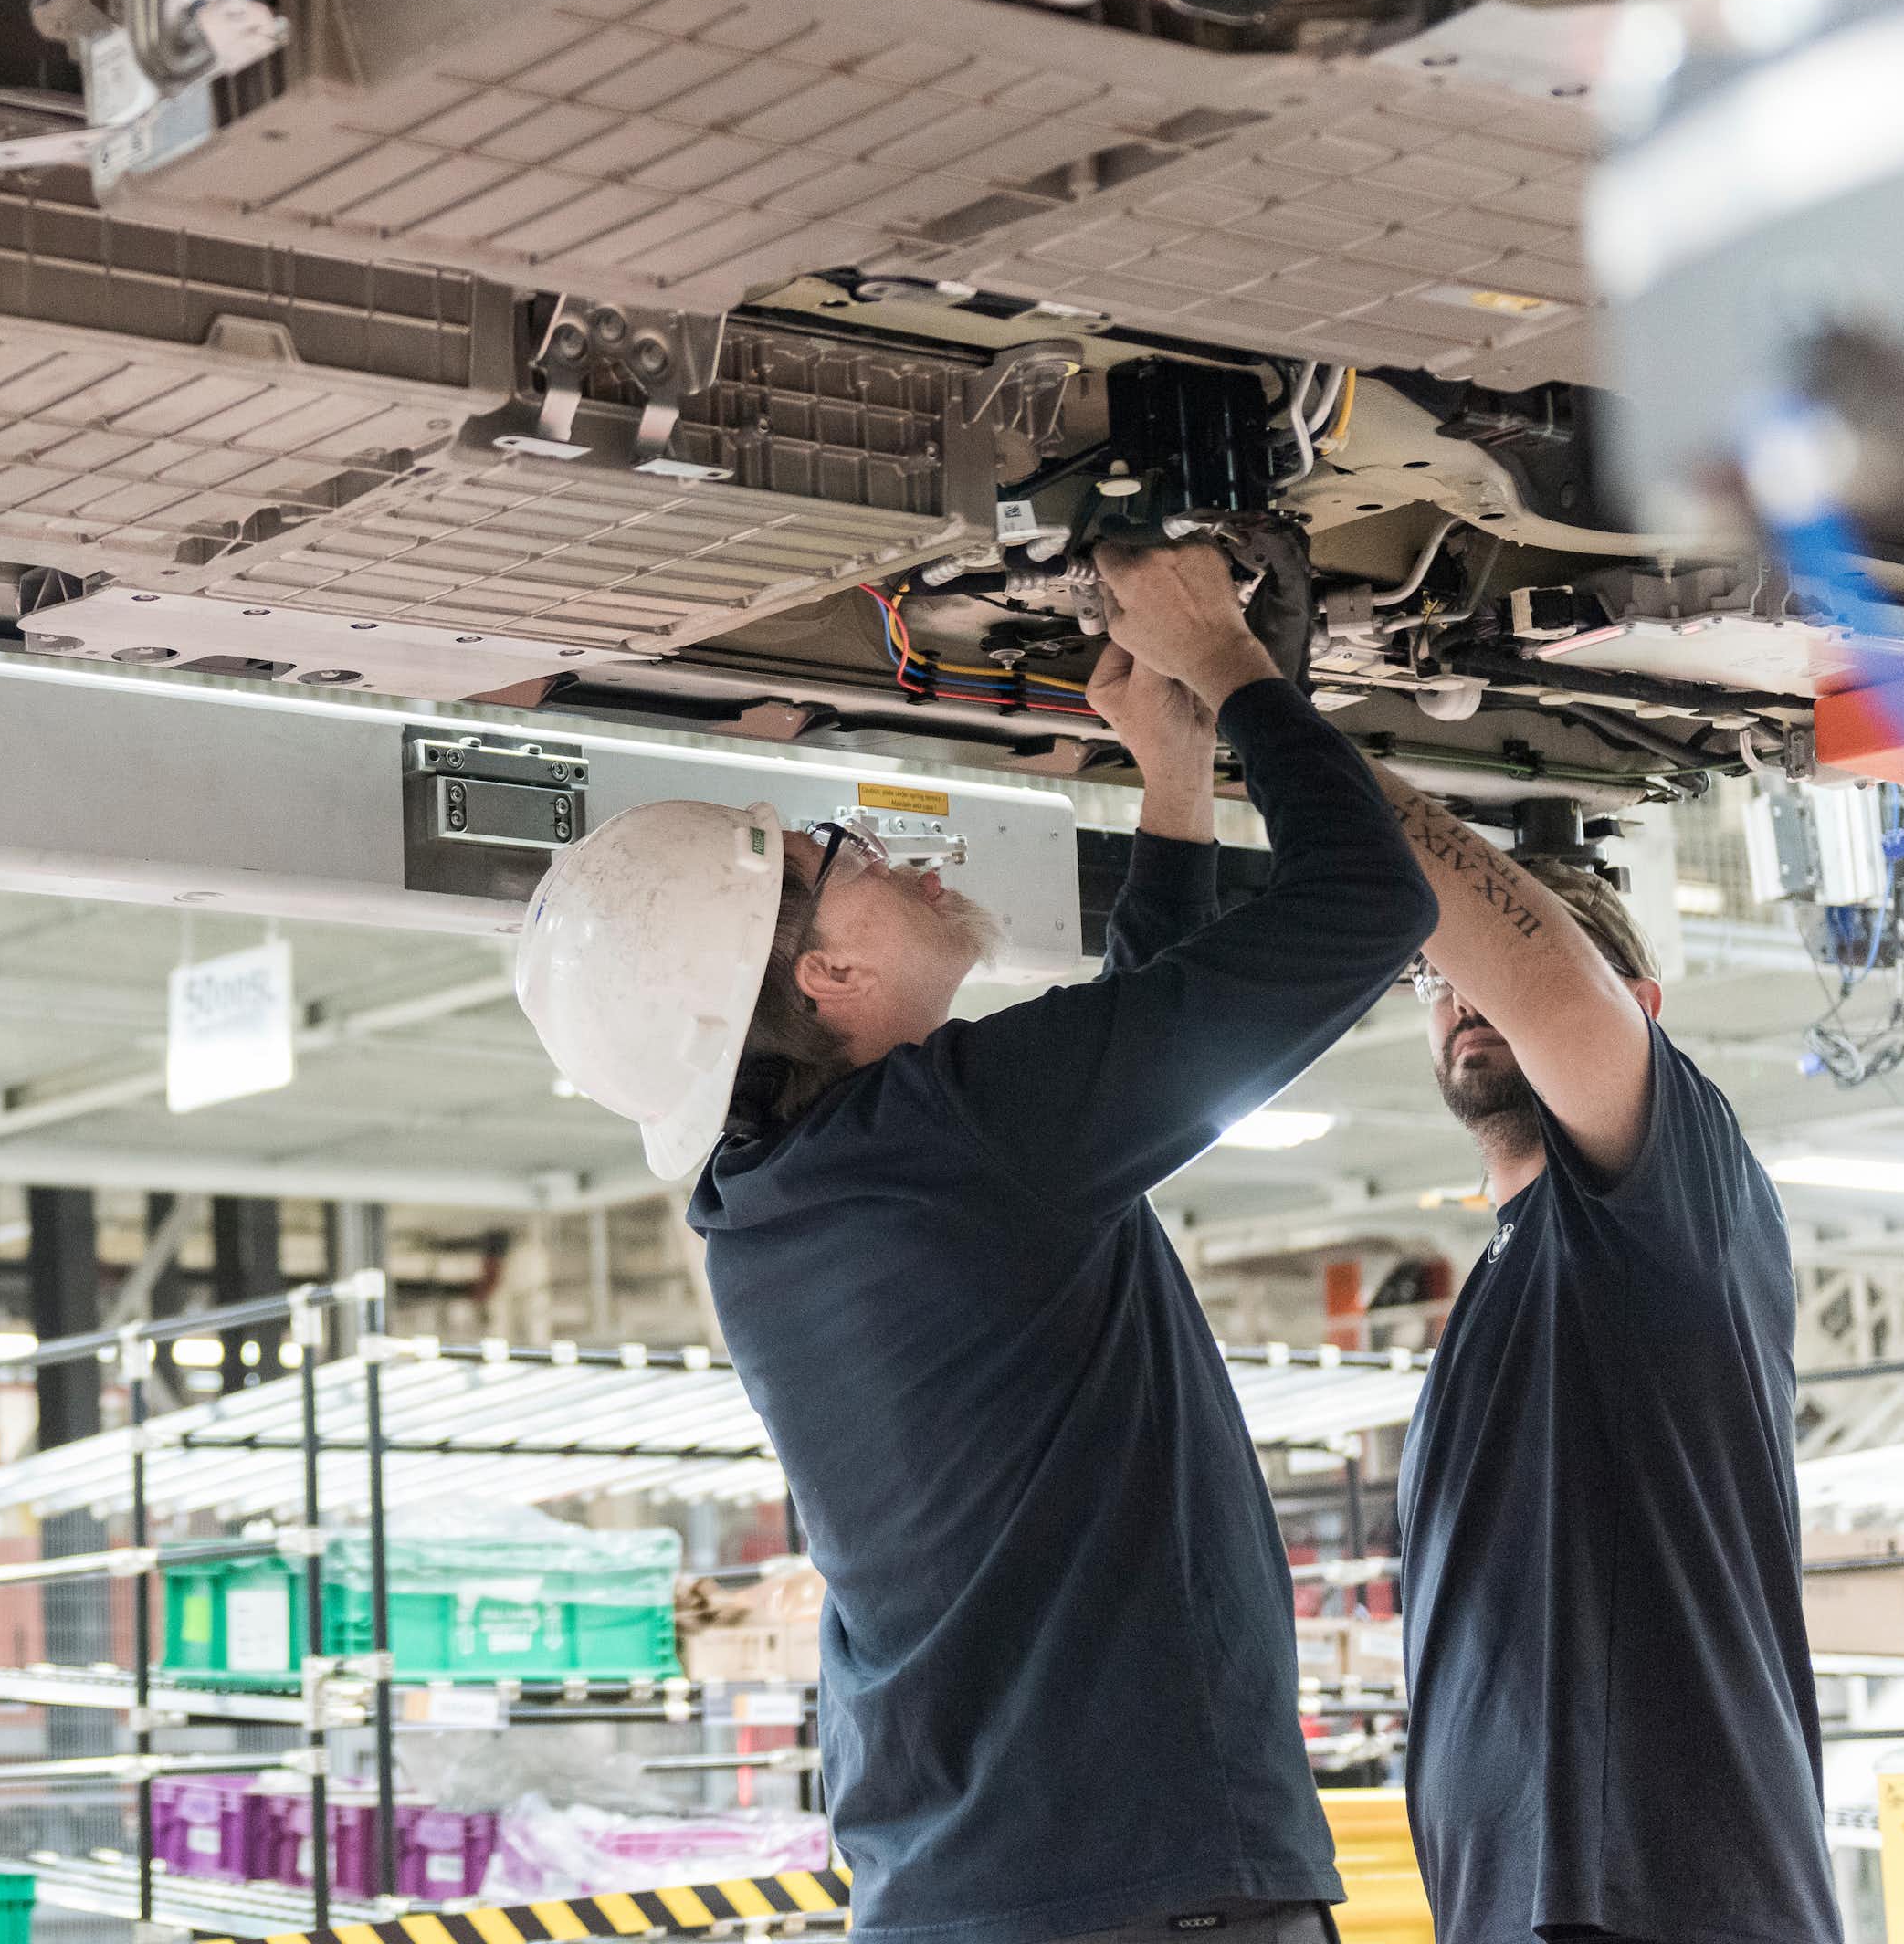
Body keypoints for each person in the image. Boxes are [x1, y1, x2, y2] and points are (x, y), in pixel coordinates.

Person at [519, 541, 1438, 1944]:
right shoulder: (946, 1143)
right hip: (1136, 1892)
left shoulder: (786, 1208)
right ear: (827, 977)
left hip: (978, 1888)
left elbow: (1138, 1059)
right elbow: (1367, 906)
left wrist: (1176, 790)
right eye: (841, 860)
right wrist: (1228, 661)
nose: (887, 851)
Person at [1372, 777, 1840, 1944]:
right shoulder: (1505, 1279)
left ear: (1637, 1004)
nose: (1461, 995)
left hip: (1664, 1900)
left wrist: (1256, 695)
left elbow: (1547, 994)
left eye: (1487, 968)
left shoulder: (1673, 1202)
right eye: (1435, 978)